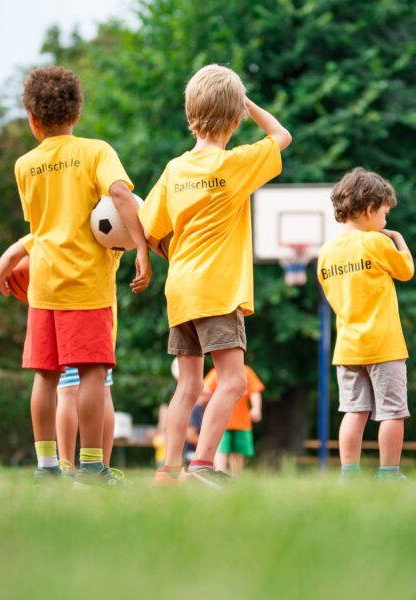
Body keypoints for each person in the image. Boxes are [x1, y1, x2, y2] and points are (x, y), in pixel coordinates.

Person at [0, 66, 150, 486]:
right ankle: (92, 467)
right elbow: (120, 195)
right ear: (76, 112)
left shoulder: (25, 165)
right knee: (93, 375)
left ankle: (46, 468)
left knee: (45, 376)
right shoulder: (97, 151)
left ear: (32, 118)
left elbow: (40, 229)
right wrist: (143, 249)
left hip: (44, 286)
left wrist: (9, 259)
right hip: (87, 285)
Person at [140, 64, 291, 487]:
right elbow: (281, 137)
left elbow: (150, 231)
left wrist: (171, 254)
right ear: (235, 118)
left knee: (187, 385)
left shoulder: (174, 169)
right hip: (217, 291)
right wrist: (247, 104)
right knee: (233, 380)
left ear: (190, 117)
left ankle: (168, 470)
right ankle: (204, 464)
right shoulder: (235, 164)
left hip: (180, 290)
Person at [0, 236, 121, 478]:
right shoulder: (97, 224)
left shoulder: (48, 228)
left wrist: (1, 272)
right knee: (100, 388)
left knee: (61, 386)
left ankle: (61, 465)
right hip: (92, 301)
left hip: (51, 300)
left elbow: (14, 251)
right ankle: (97, 466)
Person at [317, 167, 415, 481]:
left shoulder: (326, 252)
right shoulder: (377, 243)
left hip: (347, 347)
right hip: (384, 344)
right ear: (371, 209)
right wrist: (398, 238)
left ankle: (349, 473)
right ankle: (389, 473)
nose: (385, 222)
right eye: (385, 214)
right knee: (392, 412)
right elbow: (406, 271)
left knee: (353, 411)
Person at [204, 364, 264, 476]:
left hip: (242, 422)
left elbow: (255, 391)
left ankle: (236, 477)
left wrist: (256, 408)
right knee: (220, 449)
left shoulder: (246, 372)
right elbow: (206, 390)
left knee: (238, 452)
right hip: (221, 422)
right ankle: (220, 473)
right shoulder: (217, 372)